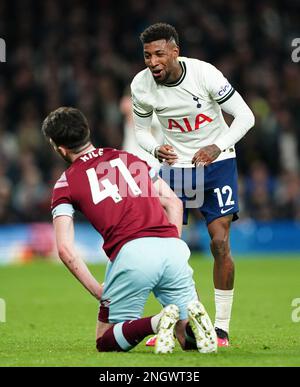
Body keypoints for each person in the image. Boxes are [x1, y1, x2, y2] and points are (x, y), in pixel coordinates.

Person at [41, 106, 218, 354]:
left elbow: (65, 250)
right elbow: (174, 202)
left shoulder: (65, 183)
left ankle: (157, 322)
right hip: (172, 246)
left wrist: (99, 292)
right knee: (186, 336)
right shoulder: (130, 159)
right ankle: (193, 329)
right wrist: (168, 247)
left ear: (59, 148)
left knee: (105, 341)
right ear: (87, 131)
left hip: (132, 254)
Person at [131, 22, 255, 347]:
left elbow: (245, 116)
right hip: (176, 169)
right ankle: (189, 326)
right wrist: (154, 148)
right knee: (168, 251)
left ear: (175, 51)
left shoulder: (205, 75)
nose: (153, 62)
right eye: (147, 56)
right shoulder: (141, 86)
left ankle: (222, 329)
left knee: (219, 244)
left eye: (159, 54)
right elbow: (142, 131)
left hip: (218, 163)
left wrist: (218, 145)